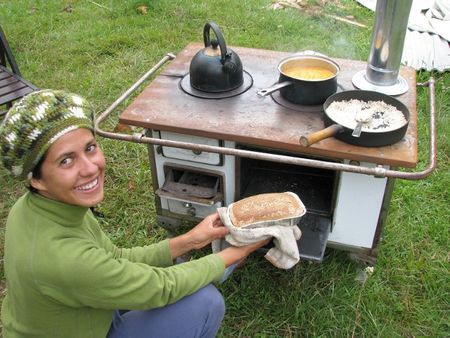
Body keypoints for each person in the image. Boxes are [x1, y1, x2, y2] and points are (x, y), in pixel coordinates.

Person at [0, 89, 269, 338]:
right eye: (66, 160)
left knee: (189, 272)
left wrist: (192, 239)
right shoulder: (63, 259)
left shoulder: (37, 207)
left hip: (82, 313)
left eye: (90, 147)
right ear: (36, 178)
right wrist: (236, 252)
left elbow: (114, 260)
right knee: (205, 303)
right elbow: (162, 287)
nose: (90, 168)